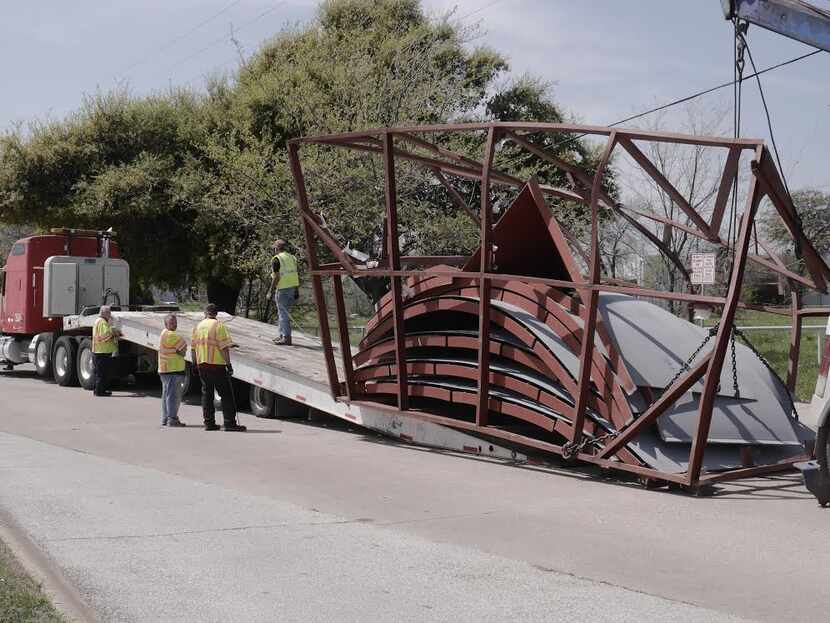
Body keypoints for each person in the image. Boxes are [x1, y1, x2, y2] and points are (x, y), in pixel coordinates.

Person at [190, 303, 246, 432]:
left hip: (202, 364)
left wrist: (194, 363)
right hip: (216, 365)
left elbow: (193, 348)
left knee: (207, 395)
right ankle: (229, 423)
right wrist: (228, 364)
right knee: (226, 395)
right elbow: (224, 348)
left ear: (205, 313)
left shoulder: (197, 327)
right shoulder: (219, 326)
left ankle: (209, 423)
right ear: (216, 314)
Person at [268, 239, 299, 346]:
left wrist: (270, 291)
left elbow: (276, 277)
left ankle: (286, 338)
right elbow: (294, 274)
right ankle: (281, 335)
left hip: (282, 289)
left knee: (283, 314)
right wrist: (296, 290)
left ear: (277, 248)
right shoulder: (292, 258)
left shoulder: (276, 259)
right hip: (292, 289)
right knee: (282, 313)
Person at [158, 313, 187, 428]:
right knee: (173, 396)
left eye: (175, 322)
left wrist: (180, 351)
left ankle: (166, 418)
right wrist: (180, 352)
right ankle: (172, 419)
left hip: (166, 370)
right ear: (166, 324)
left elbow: (182, 348)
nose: (174, 324)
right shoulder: (171, 335)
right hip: (172, 370)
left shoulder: (164, 333)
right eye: (171, 323)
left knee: (167, 395)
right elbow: (184, 347)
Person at [92, 305, 120, 397]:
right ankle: (101, 391)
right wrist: (115, 334)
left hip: (98, 350)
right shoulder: (103, 322)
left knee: (99, 372)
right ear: (104, 313)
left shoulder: (98, 321)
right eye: (109, 312)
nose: (110, 314)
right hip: (102, 351)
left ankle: (97, 390)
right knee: (102, 373)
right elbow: (106, 335)